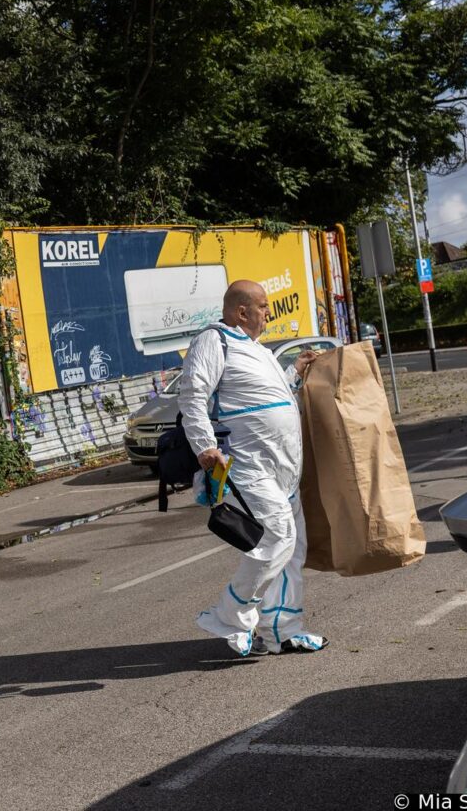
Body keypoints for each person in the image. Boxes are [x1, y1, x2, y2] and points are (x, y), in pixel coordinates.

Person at [179, 280, 327, 657]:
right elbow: (193, 396)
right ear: (241, 311)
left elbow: (267, 396)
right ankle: (229, 617)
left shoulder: (255, 349)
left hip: (283, 468)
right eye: (263, 306)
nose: (268, 313)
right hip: (247, 466)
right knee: (276, 537)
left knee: (293, 548)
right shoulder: (214, 341)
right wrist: (204, 448)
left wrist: (294, 371)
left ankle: (282, 630)